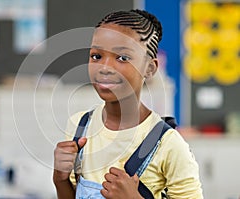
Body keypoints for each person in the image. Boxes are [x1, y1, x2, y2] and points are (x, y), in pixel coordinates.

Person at [53, 9, 203, 199]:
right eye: (96, 56)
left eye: (122, 58)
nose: (105, 68)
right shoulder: (79, 126)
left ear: (149, 68)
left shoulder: (169, 144)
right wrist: (60, 179)